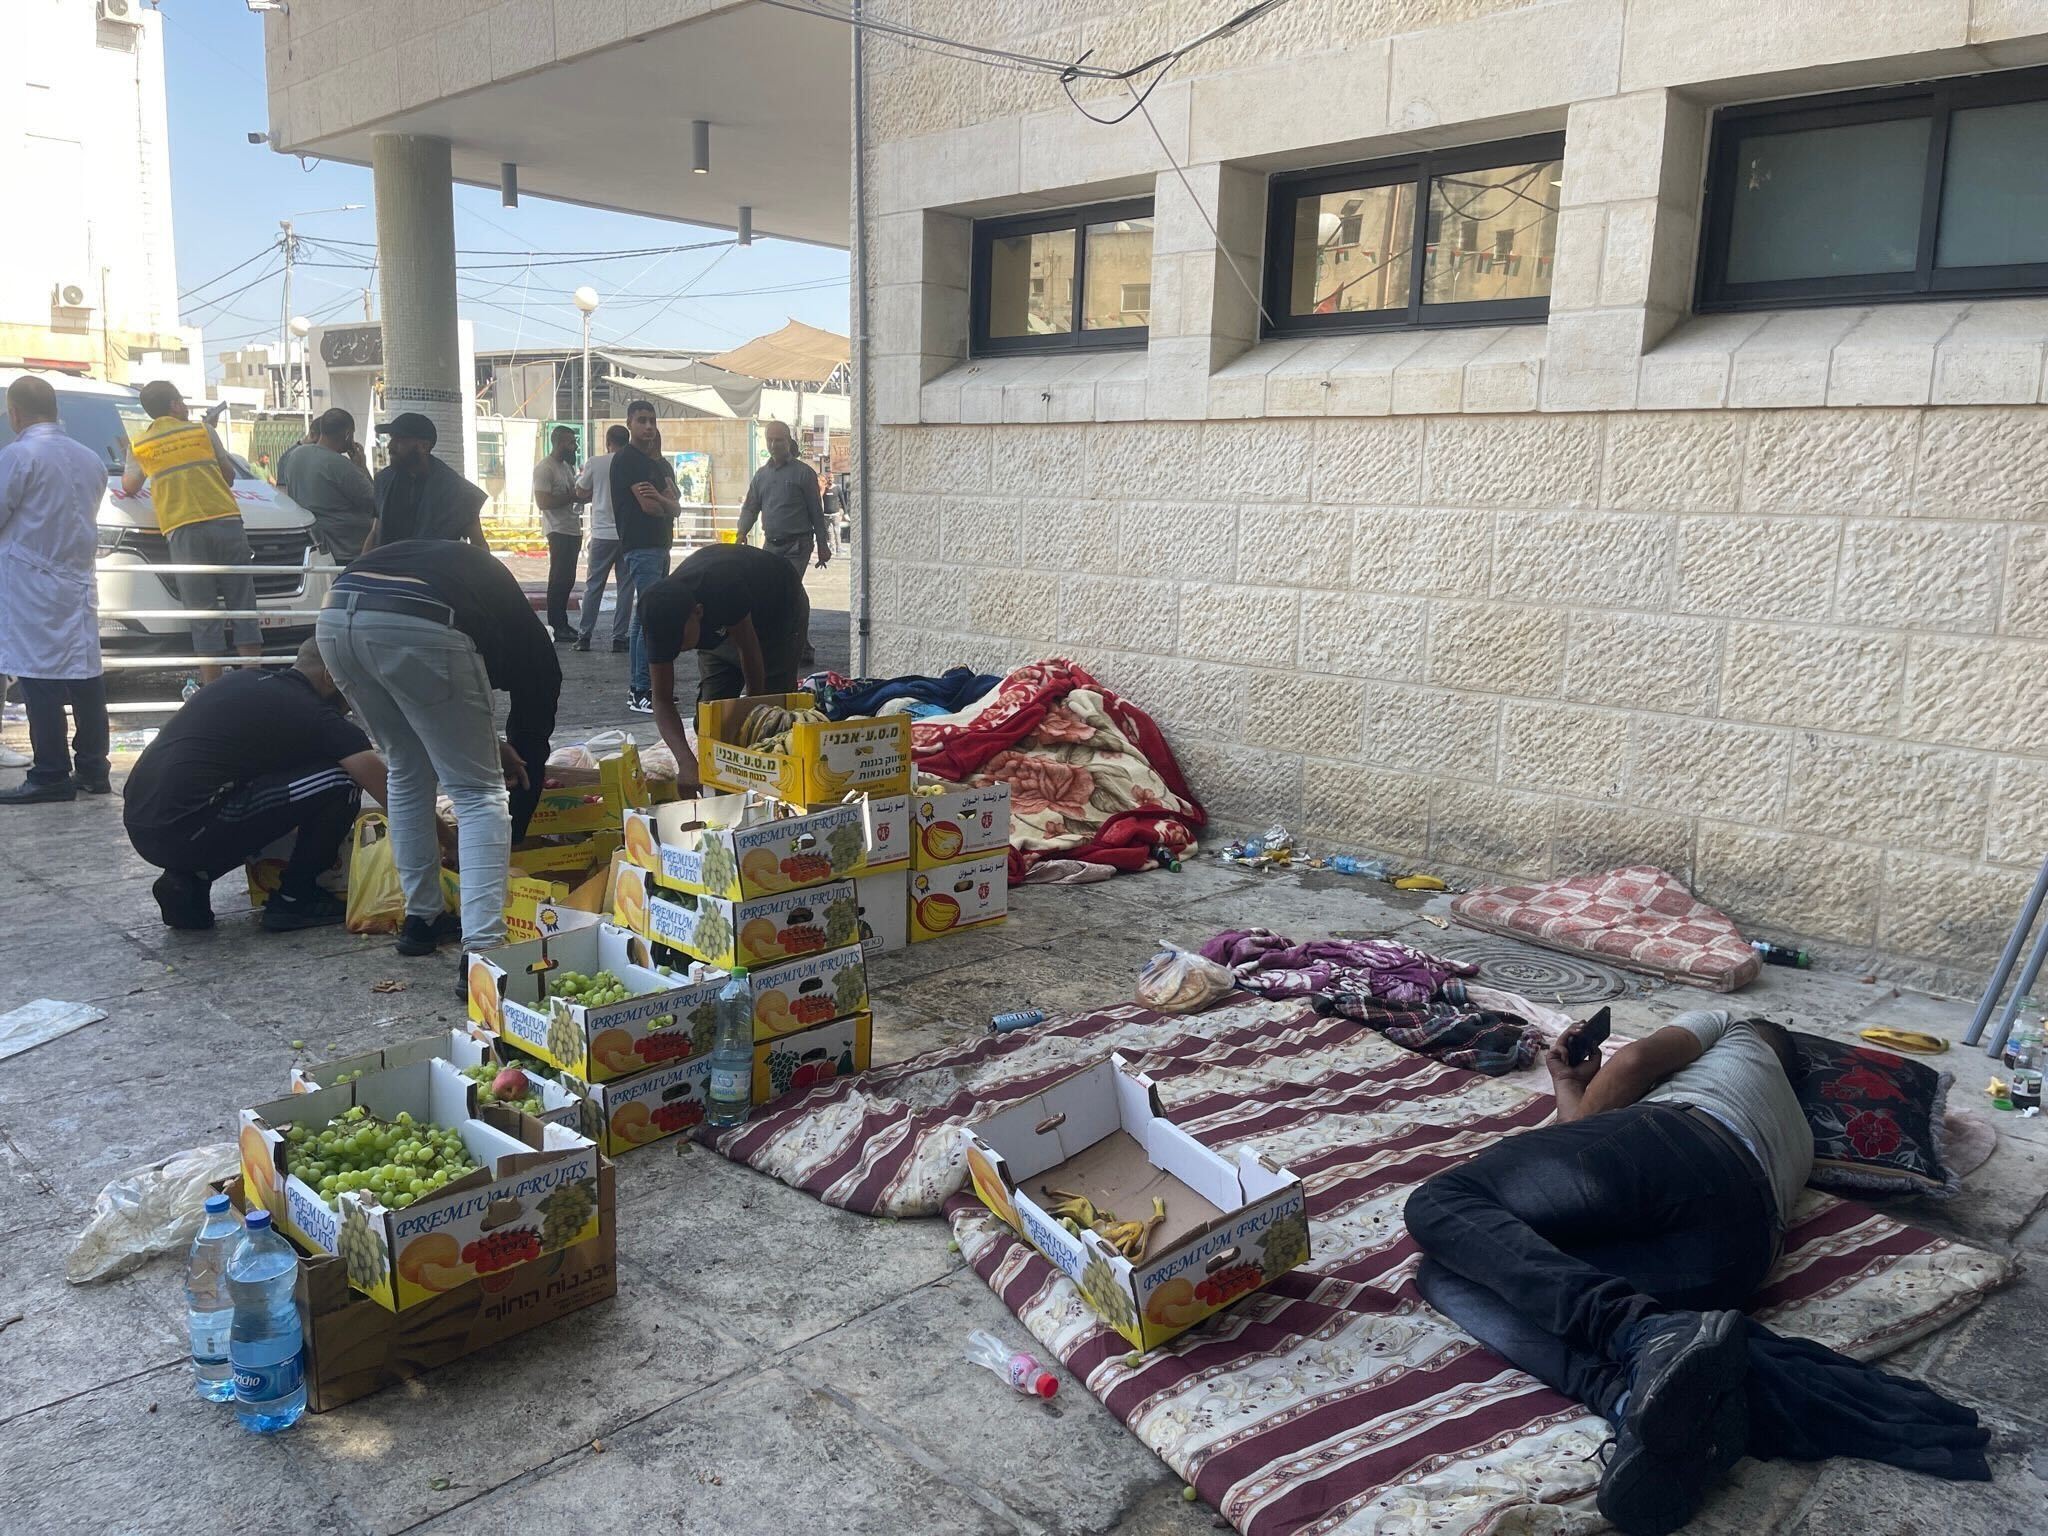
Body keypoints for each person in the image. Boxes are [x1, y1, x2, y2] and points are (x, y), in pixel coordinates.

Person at [1404, 1009, 1815, 1534]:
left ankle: (1636, 1333)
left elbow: (1637, 1061)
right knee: (1458, 1271)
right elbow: (1591, 1159)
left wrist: (1590, 1101)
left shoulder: (1736, 1029)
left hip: (1681, 1145)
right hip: (1740, 1256)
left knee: (1443, 1203)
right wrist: (1570, 1084)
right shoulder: (1799, 1134)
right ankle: (1637, 1407)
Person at [316, 538, 559, 983]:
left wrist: (489, 739)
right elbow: (527, 716)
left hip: (336, 620)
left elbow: (450, 712)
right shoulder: (533, 646)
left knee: (406, 771)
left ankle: (421, 920)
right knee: (479, 792)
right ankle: (483, 952)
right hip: (421, 620)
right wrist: (516, 774)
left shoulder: (468, 575)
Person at [123, 638, 395, 932]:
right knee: (341, 780)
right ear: (331, 677)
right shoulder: (316, 716)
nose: (356, 701)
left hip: (143, 825)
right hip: (188, 826)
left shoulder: (244, 681)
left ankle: (190, 880)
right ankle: (294, 898)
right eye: (355, 687)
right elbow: (393, 796)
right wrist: (447, 844)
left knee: (278, 792)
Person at [0, 375, 112, 805]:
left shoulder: (19, 455)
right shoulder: (90, 459)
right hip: (77, 579)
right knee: (86, 677)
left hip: (31, 581)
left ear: (15, 413)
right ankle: (92, 768)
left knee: (39, 678)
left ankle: (50, 772)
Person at [122, 380, 261, 685]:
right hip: (226, 522)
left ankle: (212, 687)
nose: (185, 407)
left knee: (202, 611)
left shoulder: (141, 444)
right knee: (242, 603)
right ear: (174, 405)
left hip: (182, 528)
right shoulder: (203, 432)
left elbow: (129, 486)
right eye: (182, 401)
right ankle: (253, 681)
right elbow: (229, 476)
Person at [639, 542, 810, 786]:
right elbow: (662, 699)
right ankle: (718, 781)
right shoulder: (657, 615)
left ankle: (774, 786)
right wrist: (686, 762)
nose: (675, 650)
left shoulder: (722, 589)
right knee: (711, 718)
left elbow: (749, 651)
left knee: (772, 714)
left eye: (680, 641)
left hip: (779, 605)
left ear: (698, 613)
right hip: (723, 620)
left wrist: (756, 720)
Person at [736, 418, 831, 667]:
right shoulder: (761, 476)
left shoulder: (803, 473)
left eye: (779, 439)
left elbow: (816, 513)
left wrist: (823, 544)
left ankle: (794, 646)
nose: (774, 444)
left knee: (787, 590)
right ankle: (800, 644)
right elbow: (750, 508)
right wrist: (741, 532)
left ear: (789, 441)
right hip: (771, 545)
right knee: (775, 593)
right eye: (770, 439)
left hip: (797, 545)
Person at [609, 400, 681, 714]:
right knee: (651, 619)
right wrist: (666, 500)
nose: (649, 426)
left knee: (643, 618)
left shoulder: (660, 465)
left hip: (660, 545)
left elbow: (675, 507)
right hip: (641, 545)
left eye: (652, 420)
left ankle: (642, 688)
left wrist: (664, 499)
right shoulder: (628, 460)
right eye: (642, 420)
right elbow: (650, 507)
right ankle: (642, 688)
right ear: (629, 423)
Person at [362, 412, 488, 552]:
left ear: (423, 446)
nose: (390, 446)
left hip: (433, 571)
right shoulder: (383, 481)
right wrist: (357, 568)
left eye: (399, 440)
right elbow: (375, 532)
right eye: (392, 439)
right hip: (387, 570)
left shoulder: (457, 491)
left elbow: (479, 544)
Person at [274, 408, 378, 561]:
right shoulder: (341, 466)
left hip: (310, 545)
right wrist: (361, 466)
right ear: (348, 434)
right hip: (347, 549)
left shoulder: (295, 456)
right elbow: (375, 502)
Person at [574, 424, 633, 654]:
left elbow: (580, 490)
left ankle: (584, 637)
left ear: (608, 442)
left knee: (594, 586)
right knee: (626, 588)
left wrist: (596, 492)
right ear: (626, 442)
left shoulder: (595, 463)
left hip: (601, 534)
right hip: (627, 534)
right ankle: (619, 638)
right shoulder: (632, 463)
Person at [532, 425, 584, 643]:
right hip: (558, 530)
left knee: (568, 579)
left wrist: (582, 495)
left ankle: (563, 623)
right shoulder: (545, 468)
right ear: (560, 443)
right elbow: (543, 502)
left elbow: (573, 495)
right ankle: (556, 624)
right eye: (571, 442)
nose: (575, 446)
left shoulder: (566, 467)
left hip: (572, 528)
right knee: (559, 579)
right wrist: (572, 496)